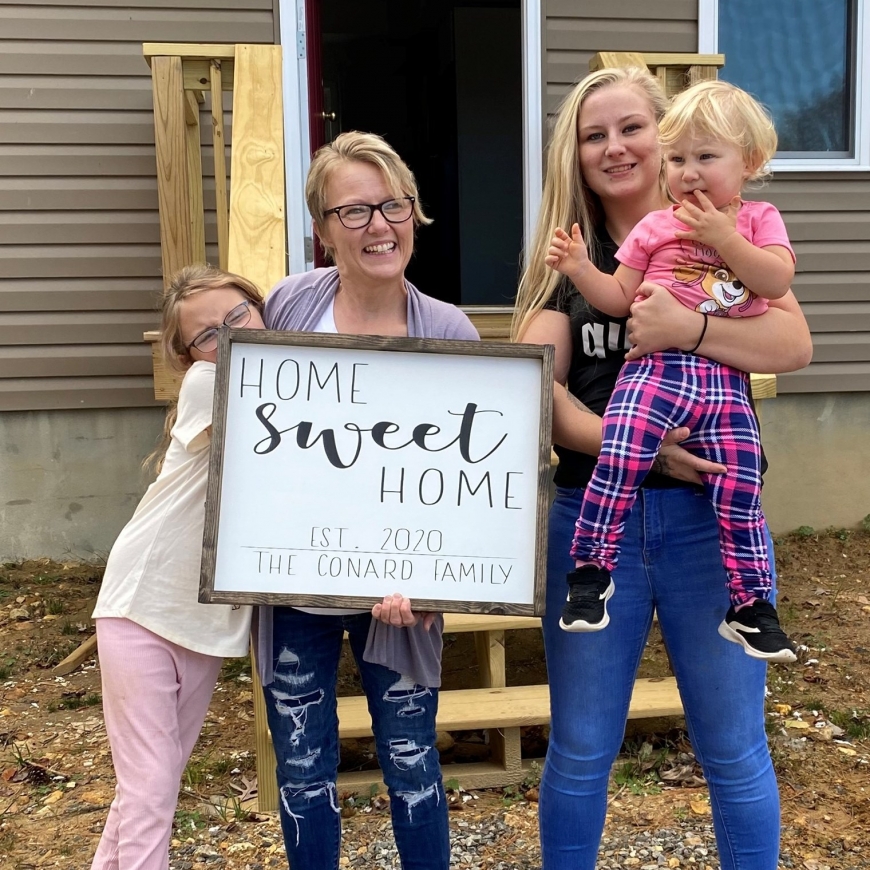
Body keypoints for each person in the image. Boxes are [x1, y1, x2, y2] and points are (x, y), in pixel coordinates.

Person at [512, 67, 812, 870]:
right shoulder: (572, 262)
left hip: (704, 526)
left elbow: (792, 343)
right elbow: (533, 390)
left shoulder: (732, 233)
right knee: (579, 748)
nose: (615, 148)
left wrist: (690, 328)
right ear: (573, 155)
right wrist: (628, 441)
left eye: (631, 128)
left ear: (670, 135)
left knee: (733, 745)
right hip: (594, 517)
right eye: (592, 134)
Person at [254, 130, 479, 870]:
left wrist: (437, 579)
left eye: (393, 205)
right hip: (295, 596)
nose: (379, 226)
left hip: (401, 603)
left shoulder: (448, 330)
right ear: (322, 231)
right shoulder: (288, 306)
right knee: (302, 771)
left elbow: (467, 483)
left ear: (413, 214)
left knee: (413, 762)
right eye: (353, 212)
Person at [546, 80, 797, 662]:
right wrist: (583, 268)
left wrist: (721, 249)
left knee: (740, 484)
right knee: (622, 453)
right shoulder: (654, 229)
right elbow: (614, 297)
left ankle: (751, 606)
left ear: (747, 162)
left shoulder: (758, 221)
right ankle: (591, 571)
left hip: (722, 394)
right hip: (652, 379)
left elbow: (777, 287)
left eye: (704, 157)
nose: (689, 171)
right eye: (681, 158)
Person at [90, 265, 265, 870]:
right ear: (190, 354)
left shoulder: (271, 377)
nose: (230, 336)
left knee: (149, 787)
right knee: (150, 790)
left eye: (238, 315)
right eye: (209, 334)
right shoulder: (208, 384)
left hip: (203, 626)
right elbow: (268, 445)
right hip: (142, 606)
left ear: (258, 306)